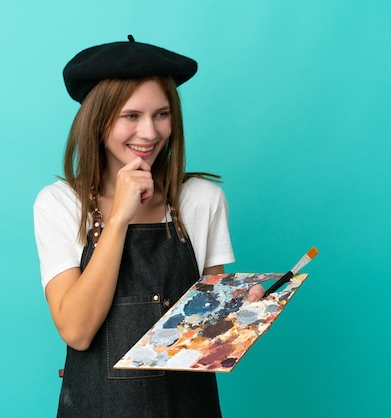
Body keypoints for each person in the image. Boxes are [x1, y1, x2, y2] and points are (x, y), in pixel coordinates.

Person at [34, 35, 264, 418]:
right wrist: (120, 216)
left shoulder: (201, 200)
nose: (150, 133)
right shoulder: (59, 204)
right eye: (131, 116)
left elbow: (205, 339)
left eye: (161, 114)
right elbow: (77, 330)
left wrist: (240, 316)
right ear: (97, 120)